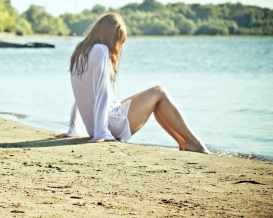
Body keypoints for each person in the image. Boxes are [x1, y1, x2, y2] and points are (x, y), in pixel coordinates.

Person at [56, 13, 209, 154]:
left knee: (154, 100)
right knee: (159, 92)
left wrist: (73, 129)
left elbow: (82, 94)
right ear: (111, 38)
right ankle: (193, 142)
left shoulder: (81, 51)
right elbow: (103, 93)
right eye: (119, 42)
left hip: (95, 126)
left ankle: (184, 143)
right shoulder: (101, 50)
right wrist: (101, 133)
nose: (119, 47)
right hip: (110, 126)